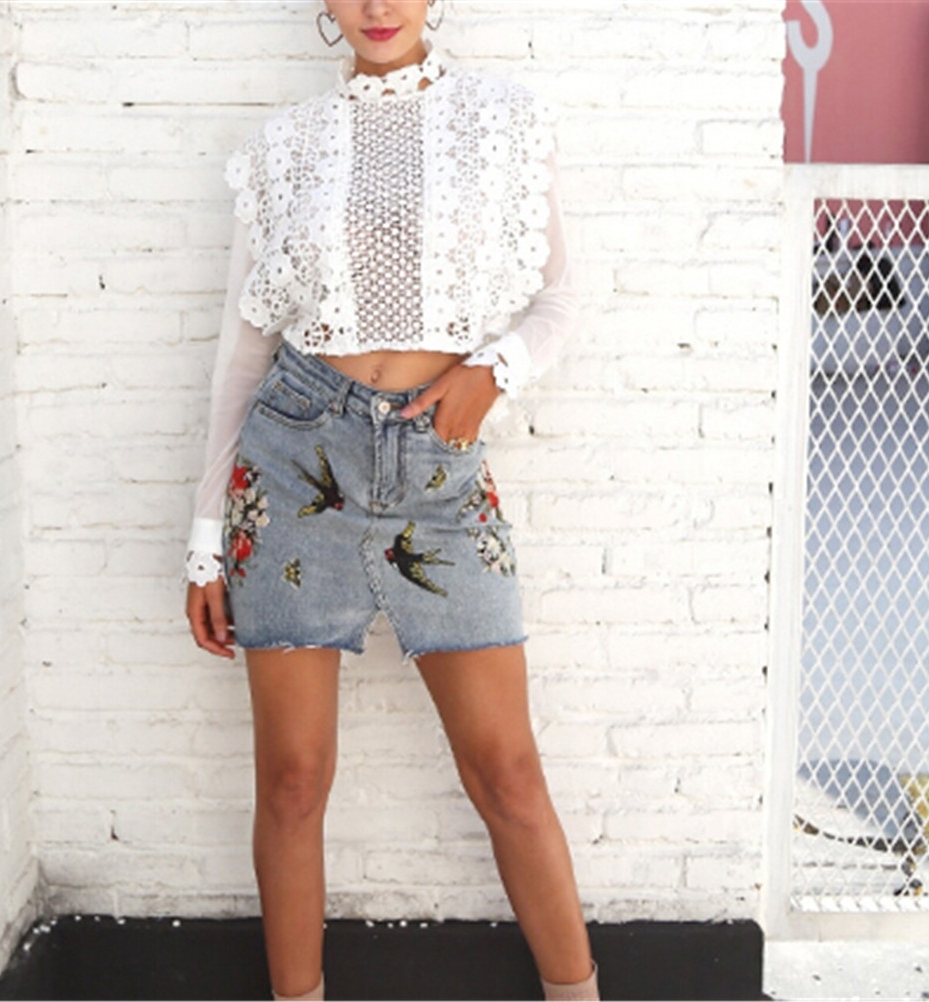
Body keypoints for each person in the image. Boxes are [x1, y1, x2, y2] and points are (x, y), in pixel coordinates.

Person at [185, 2, 599, 999]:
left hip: (439, 474)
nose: (378, 6)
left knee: (508, 775)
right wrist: (205, 539)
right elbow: (243, 350)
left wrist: (492, 372)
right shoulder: (285, 146)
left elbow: (563, 297)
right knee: (293, 782)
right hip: (294, 466)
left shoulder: (502, 119)